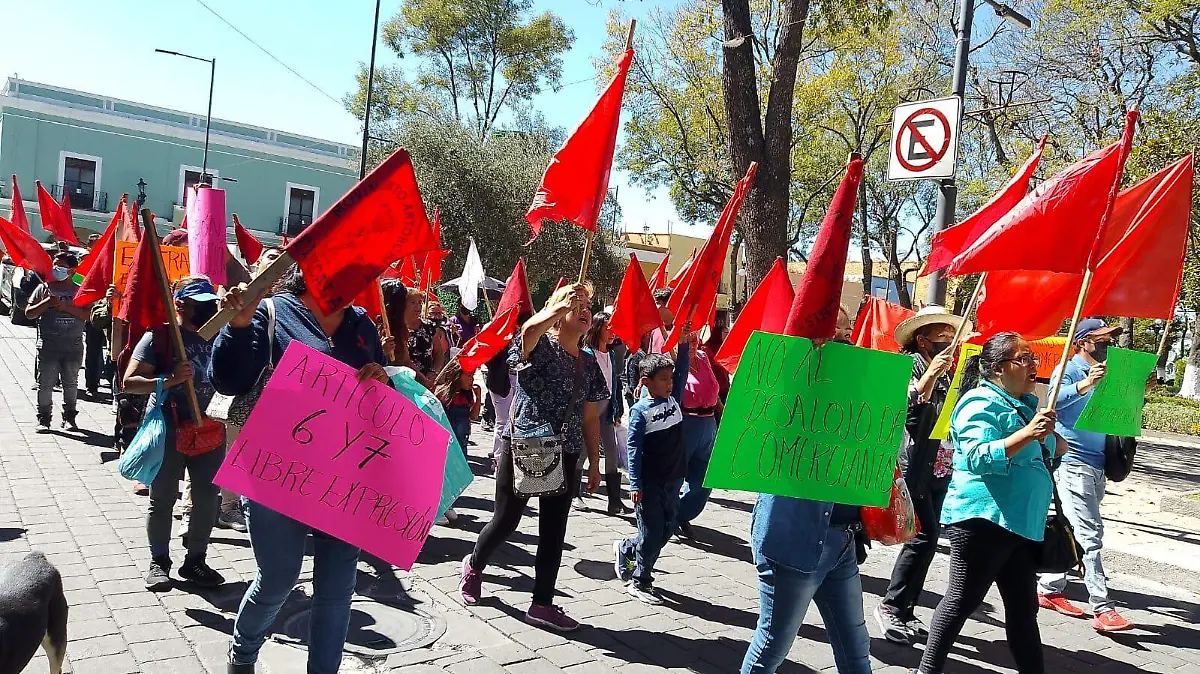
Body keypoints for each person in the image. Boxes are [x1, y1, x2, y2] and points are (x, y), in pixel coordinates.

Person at [211, 264, 389, 674]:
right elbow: (228, 381)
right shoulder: (271, 313)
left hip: (345, 476)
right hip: (276, 472)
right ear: (316, 270)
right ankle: (243, 653)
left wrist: (382, 379)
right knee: (277, 578)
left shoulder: (361, 323)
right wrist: (237, 327)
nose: (357, 284)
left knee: (337, 591)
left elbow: (380, 390)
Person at [459, 283, 608, 632]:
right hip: (530, 445)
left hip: (567, 450)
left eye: (588, 304)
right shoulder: (541, 345)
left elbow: (590, 416)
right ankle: (474, 564)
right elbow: (527, 333)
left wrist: (596, 465)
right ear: (558, 310)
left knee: (553, 532)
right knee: (507, 521)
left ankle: (542, 603)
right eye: (577, 303)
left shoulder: (588, 362)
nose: (584, 309)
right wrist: (558, 309)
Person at [916, 332, 1062, 674]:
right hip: (984, 520)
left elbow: (1045, 455)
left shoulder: (1023, 405)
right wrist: (1028, 433)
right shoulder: (979, 403)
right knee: (960, 602)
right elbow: (979, 457)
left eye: (1033, 360)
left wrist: (1050, 437)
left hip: (1019, 522)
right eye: (1023, 360)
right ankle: (926, 670)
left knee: (1024, 608)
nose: (1032, 368)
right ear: (997, 368)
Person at [740, 310, 872, 674]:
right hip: (794, 542)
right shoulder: (786, 390)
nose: (845, 340)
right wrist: (803, 369)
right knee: (772, 646)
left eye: (848, 332)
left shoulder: (852, 390)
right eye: (835, 333)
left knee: (856, 644)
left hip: (842, 540)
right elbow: (762, 428)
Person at [122, 276, 226, 591]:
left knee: (208, 499)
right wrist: (168, 379)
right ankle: (159, 562)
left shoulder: (220, 333)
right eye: (200, 305)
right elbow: (129, 382)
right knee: (162, 498)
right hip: (169, 427)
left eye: (211, 304)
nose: (207, 310)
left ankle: (196, 560)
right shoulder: (161, 338)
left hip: (210, 428)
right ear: (179, 305)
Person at [875, 306, 967, 645]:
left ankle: (905, 607)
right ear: (923, 339)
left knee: (927, 539)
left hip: (939, 463)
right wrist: (930, 376)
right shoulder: (911, 365)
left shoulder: (952, 369)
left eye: (950, 334)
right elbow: (906, 404)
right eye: (942, 335)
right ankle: (892, 606)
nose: (949, 341)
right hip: (914, 463)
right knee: (921, 538)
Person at [1036, 319, 1133, 632]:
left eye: (1109, 338)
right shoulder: (1069, 369)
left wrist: (1136, 391)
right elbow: (1053, 402)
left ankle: (1049, 588)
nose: (1107, 344)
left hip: (1099, 464)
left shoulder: (1109, 374)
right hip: (1072, 463)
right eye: (1101, 339)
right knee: (1090, 533)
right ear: (1082, 341)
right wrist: (1085, 384)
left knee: (1076, 527)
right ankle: (1102, 607)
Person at [615, 336, 690, 604]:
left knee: (667, 529)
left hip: (673, 479)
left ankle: (627, 548)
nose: (670, 384)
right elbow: (633, 450)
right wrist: (635, 484)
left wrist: (684, 344)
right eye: (663, 380)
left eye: (670, 379)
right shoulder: (640, 412)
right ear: (646, 382)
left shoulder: (673, 400)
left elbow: (682, 372)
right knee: (652, 532)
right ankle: (640, 580)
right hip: (650, 483)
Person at [25, 252, 89, 431]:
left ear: (72, 270)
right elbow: (29, 313)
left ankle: (69, 417)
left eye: (60, 266)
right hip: (48, 346)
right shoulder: (44, 288)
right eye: (55, 265)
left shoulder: (80, 290)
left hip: (73, 346)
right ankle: (44, 418)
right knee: (45, 384)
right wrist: (45, 303)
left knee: (71, 384)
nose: (56, 269)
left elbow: (89, 316)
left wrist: (66, 307)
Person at [674, 325, 722, 540]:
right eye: (689, 338)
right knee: (675, 476)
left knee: (704, 480)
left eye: (695, 338)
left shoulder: (703, 357)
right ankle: (667, 515)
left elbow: (714, 389)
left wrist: (724, 415)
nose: (693, 342)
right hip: (686, 422)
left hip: (709, 422)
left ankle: (681, 514)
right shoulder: (673, 359)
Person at [583, 311, 630, 515]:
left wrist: (617, 408)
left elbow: (615, 383)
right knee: (584, 452)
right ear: (597, 328)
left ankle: (614, 500)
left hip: (608, 410)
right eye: (608, 328)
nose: (612, 333)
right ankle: (576, 494)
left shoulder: (611, 354)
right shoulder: (586, 354)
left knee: (612, 453)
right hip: (590, 410)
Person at [404, 288, 449, 386]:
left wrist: (433, 373)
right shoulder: (394, 329)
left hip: (427, 384)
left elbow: (438, 353)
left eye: (420, 302)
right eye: (413, 302)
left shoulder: (429, 327)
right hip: (404, 383)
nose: (418, 306)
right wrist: (421, 378)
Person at [83, 234, 107, 398]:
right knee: (93, 350)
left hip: (112, 312)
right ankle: (91, 384)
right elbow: (80, 283)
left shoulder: (113, 261)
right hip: (94, 312)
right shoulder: (86, 262)